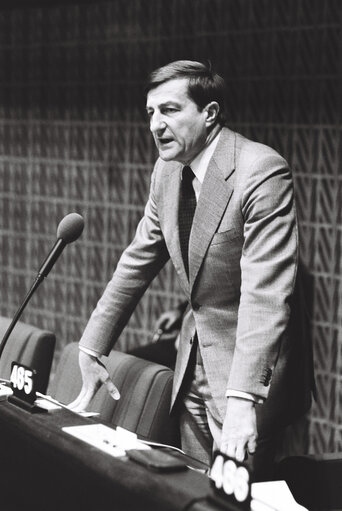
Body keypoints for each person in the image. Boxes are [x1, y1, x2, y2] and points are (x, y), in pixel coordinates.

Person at [69, 60, 313, 480]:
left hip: (247, 378)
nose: (155, 125)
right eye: (150, 113)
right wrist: (91, 347)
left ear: (210, 113)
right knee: (190, 491)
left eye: (169, 110)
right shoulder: (166, 172)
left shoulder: (260, 171)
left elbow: (266, 295)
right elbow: (136, 262)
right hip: (192, 364)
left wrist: (242, 401)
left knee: (233, 496)